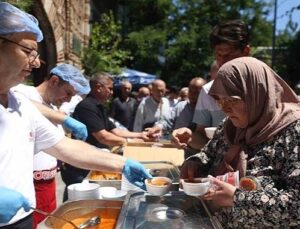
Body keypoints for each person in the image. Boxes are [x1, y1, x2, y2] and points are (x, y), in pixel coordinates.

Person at [0, 3, 151, 228]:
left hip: (22, 219)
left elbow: (64, 147)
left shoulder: (20, 103)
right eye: (27, 50)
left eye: (36, 53)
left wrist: (122, 163)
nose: (36, 62)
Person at [180, 57, 300, 228]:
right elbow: (208, 153)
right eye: (219, 100)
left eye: (232, 100)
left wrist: (238, 199)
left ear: (256, 93)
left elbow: (297, 206)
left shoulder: (293, 131)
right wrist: (195, 162)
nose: (225, 109)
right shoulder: (230, 125)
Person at [12, 63, 90, 228]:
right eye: (68, 93)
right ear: (54, 81)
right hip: (28, 185)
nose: (69, 99)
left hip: (49, 184)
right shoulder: (23, 92)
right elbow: (26, 104)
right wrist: (63, 118)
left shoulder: (53, 107)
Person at [61, 72, 153, 201]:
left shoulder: (98, 106)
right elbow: (103, 137)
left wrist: (141, 135)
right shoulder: (87, 106)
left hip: (91, 161)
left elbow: (115, 130)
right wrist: (130, 141)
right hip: (80, 166)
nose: (111, 92)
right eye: (109, 88)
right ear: (98, 87)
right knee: (76, 200)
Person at [172, 19, 250, 151]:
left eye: (229, 55)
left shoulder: (262, 87)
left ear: (246, 51)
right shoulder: (208, 91)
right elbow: (202, 137)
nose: (223, 62)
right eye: (219, 55)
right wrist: (189, 137)